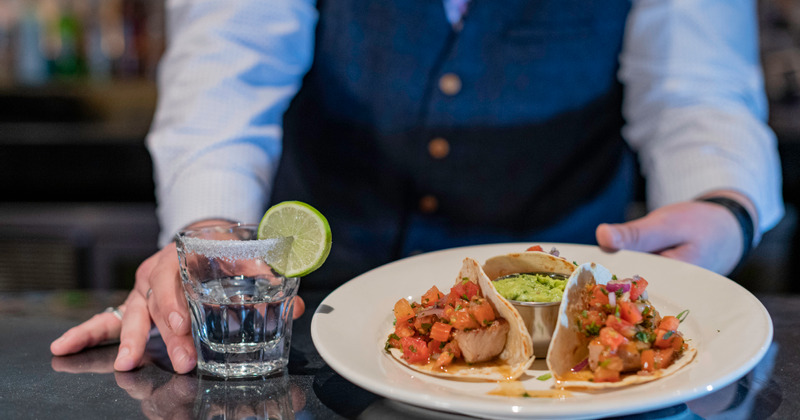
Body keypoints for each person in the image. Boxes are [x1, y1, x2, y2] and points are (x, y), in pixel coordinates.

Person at [51, 0, 783, 375]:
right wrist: (206, 231)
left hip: (571, 333)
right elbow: (225, 63)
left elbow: (698, 91)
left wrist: (723, 203)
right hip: (324, 315)